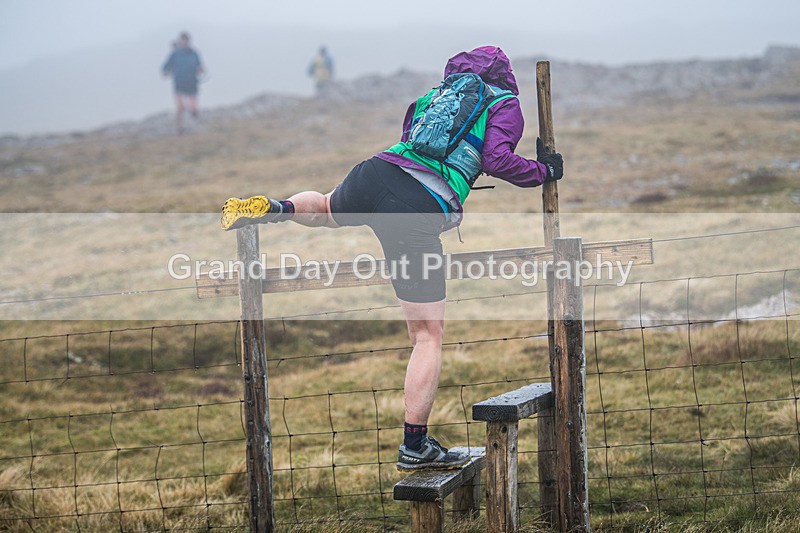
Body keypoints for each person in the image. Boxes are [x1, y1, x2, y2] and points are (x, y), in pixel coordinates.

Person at [221, 46, 563, 471]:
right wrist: (544, 171)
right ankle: (414, 445)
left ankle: (277, 207)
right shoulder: (504, 103)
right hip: (417, 207)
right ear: (504, 74)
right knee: (427, 336)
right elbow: (497, 159)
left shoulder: (436, 94)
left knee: (326, 207)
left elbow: (410, 134)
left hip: (377, 171)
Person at [162, 32, 204, 134]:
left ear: (189, 41)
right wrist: (166, 72)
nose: (185, 42)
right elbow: (166, 66)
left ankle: (194, 118)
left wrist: (200, 70)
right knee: (181, 107)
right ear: (180, 41)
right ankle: (180, 128)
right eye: (183, 40)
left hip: (192, 82)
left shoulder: (194, 53)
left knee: (193, 107)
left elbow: (200, 66)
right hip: (179, 83)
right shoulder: (175, 54)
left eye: (186, 40)